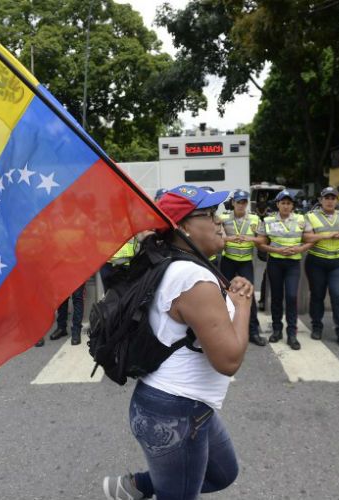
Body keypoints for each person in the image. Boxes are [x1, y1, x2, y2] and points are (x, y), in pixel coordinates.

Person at [102, 185, 248, 500]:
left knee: (224, 472)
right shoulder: (192, 278)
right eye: (208, 215)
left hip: (185, 409)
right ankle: (151, 485)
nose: (218, 220)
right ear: (182, 227)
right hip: (176, 413)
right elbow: (228, 361)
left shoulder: (177, 263)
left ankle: (137, 486)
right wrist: (244, 305)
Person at [302, 187, 339, 347]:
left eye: (333, 198)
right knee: (317, 295)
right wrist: (324, 236)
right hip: (316, 262)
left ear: (337, 200)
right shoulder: (311, 216)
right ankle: (316, 326)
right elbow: (305, 236)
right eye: (326, 198)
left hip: (338, 263)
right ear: (321, 200)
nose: (329, 201)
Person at [256, 190, 311, 349]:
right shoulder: (268, 220)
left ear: (292, 205)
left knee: (292, 296)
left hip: (293, 264)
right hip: (275, 263)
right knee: (277, 297)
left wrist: (300, 249)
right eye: (283, 203)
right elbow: (260, 243)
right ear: (278, 204)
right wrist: (276, 251)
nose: (286, 206)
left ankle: (292, 333)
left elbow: (310, 240)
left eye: (289, 203)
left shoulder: (302, 219)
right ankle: (277, 330)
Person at [219, 190, 265, 346]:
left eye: (244, 202)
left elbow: (262, 239)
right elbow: (217, 237)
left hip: (246, 261)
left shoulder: (254, 218)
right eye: (238, 202)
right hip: (228, 260)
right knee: (224, 295)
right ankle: (225, 330)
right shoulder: (223, 218)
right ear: (233, 203)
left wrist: (250, 238)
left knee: (249, 295)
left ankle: (253, 331)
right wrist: (229, 238)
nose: (241, 205)